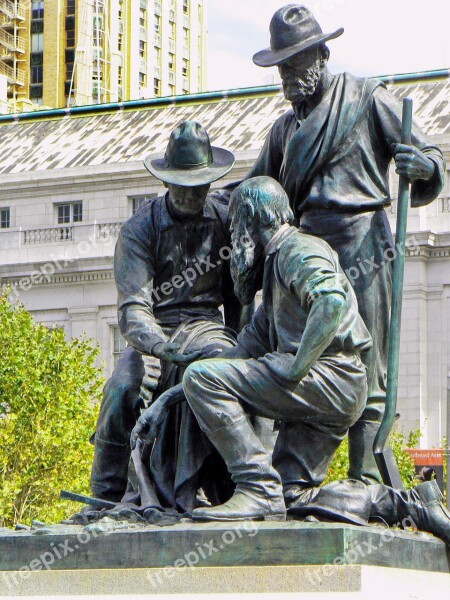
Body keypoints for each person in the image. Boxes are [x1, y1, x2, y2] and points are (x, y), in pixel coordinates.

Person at [132, 176, 450, 548]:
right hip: (333, 391)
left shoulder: (297, 250)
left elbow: (329, 302)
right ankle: (408, 503)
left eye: (235, 225)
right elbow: (237, 356)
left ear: (250, 217)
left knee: (204, 379)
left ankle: (255, 484)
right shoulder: (274, 272)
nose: (233, 237)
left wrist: (297, 365)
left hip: (327, 379)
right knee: (293, 497)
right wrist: (164, 403)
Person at [233, 4, 446, 484]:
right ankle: (293, 478)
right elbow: (252, 188)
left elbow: (428, 152)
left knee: (367, 364)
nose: (287, 75)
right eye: (281, 66)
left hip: (362, 245)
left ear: (322, 54)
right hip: (303, 249)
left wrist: (425, 167)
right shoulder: (284, 129)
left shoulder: (368, 98)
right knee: (302, 355)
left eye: (295, 62)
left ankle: (366, 479)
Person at [90, 120, 247, 510]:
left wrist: (246, 352)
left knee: (215, 373)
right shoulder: (139, 229)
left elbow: (239, 300)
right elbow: (133, 309)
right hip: (155, 333)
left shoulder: (227, 221)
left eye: (203, 185)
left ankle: (232, 484)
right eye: (186, 185)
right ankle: (104, 497)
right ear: (167, 182)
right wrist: (163, 349)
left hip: (208, 329)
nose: (195, 194)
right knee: (121, 389)